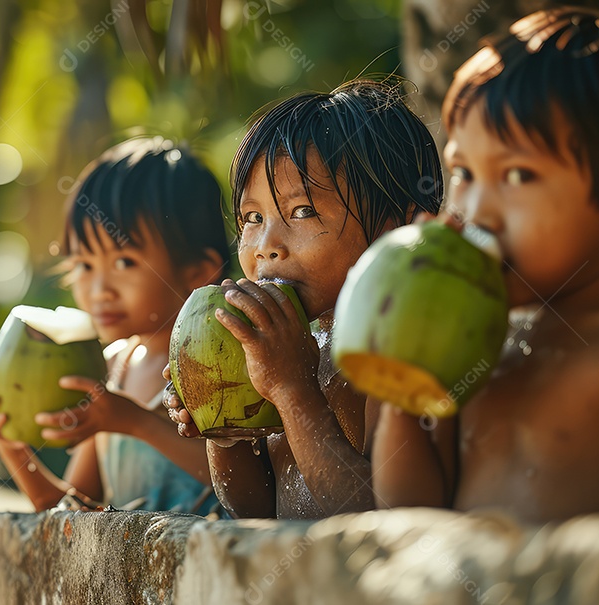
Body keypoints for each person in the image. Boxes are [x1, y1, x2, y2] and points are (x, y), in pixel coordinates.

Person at [371, 6, 599, 523]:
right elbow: (406, 513)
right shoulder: (473, 333)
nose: (476, 209)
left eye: (516, 176)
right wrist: (406, 387)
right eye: (462, 171)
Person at [165, 79, 444, 518]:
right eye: (253, 218)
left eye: (302, 211)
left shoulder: (395, 354)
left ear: (395, 228)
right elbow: (256, 511)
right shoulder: (289, 348)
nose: (266, 245)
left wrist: (293, 390)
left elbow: (377, 517)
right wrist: (227, 434)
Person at [0, 137, 230, 513]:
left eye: (123, 263)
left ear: (198, 273)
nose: (98, 290)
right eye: (84, 266)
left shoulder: (216, 360)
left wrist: (135, 421)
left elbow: (250, 488)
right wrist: (8, 441)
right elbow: (65, 509)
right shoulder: (111, 369)